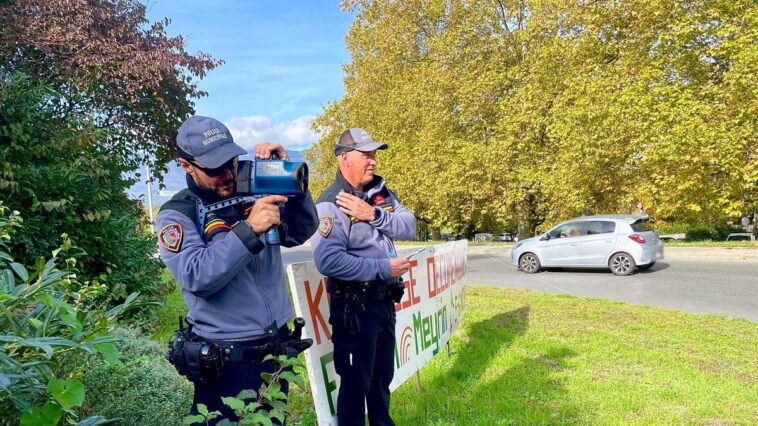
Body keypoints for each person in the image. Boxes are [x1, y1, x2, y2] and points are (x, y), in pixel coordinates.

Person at [156, 116, 318, 422]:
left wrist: (291, 184)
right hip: (226, 362)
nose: (229, 174)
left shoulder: (253, 189)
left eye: (232, 161)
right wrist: (249, 229)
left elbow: (298, 232)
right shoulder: (178, 214)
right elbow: (196, 276)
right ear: (185, 165)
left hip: (275, 351)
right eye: (216, 169)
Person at [310, 128, 416, 425]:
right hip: (354, 309)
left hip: (383, 302)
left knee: (382, 379)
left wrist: (374, 214)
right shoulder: (331, 203)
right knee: (356, 387)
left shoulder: (380, 192)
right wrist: (384, 268)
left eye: (374, 154)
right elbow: (328, 261)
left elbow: (409, 226)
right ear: (344, 159)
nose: (373, 161)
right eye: (366, 155)